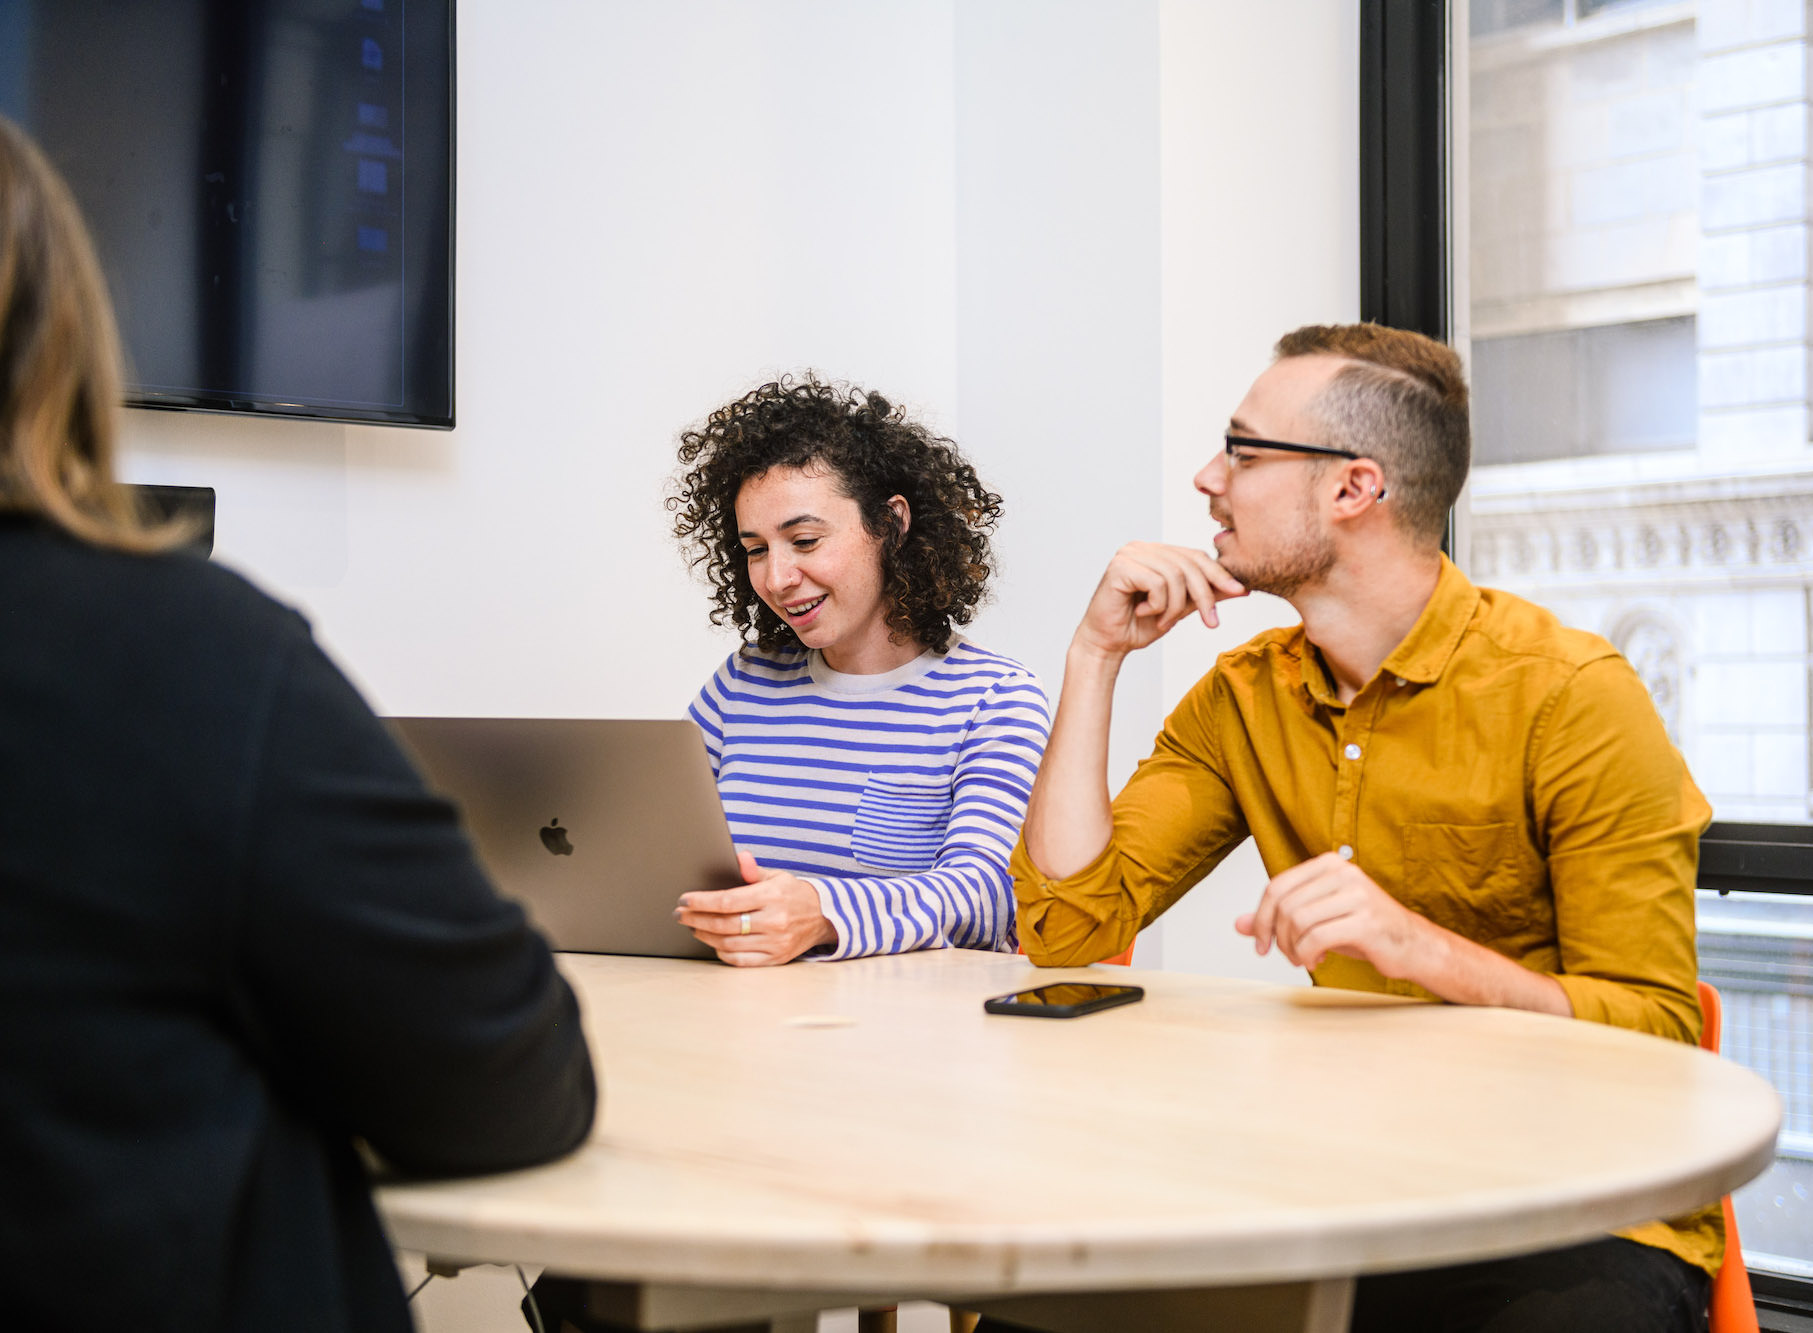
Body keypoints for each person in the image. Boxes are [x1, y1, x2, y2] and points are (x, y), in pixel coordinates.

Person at [0, 115, 596, 1333]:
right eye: (757, 545)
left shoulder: (979, 693)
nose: (776, 573)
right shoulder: (182, 659)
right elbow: (504, 1074)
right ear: (53, 340)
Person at [1008, 323, 1717, 1332]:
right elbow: (1065, 930)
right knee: (1043, 1313)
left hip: (1584, 1202)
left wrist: (1419, 948)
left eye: (1243, 451)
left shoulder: (1569, 695)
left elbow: (1659, 1039)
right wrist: (1093, 657)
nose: (1208, 477)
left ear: (1353, 487)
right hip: (1353, 1175)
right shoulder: (1243, 697)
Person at [667, 376, 1050, 965]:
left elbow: (987, 896)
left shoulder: (995, 700)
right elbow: (659, 850)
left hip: (896, 1038)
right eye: (756, 549)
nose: (777, 577)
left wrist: (822, 913)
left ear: (891, 525)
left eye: (805, 539)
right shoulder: (742, 684)